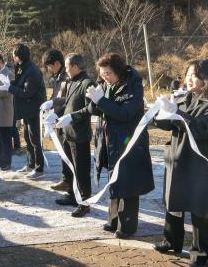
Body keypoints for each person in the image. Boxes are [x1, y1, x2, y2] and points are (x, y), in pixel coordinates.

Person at [152, 59, 208, 267]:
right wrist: (163, 112)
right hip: (177, 156)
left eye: (195, 75)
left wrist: (178, 113)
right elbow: (166, 124)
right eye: (188, 74)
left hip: (202, 162)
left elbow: (202, 129)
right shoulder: (184, 97)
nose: (189, 79)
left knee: (200, 208)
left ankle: (199, 253)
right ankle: (172, 240)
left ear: (207, 78)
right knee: (173, 201)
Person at [83, 52, 154, 238]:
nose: (104, 77)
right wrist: (92, 100)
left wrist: (102, 101)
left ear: (118, 71)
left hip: (129, 141)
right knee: (114, 180)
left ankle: (128, 225)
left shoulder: (133, 85)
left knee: (128, 183)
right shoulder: (107, 85)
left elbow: (125, 113)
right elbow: (97, 109)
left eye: (107, 73)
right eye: (102, 73)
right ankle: (113, 220)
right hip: (110, 139)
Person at [50, 53, 94, 218]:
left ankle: (84, 203)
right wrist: (57, 114)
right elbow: (68, 104)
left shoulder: (87, 83)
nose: (66, 70)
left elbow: (90, 109)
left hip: (79, 135)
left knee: (81, 171)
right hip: (68, 133)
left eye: (68, 67)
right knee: (70, 168)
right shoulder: (72, 81)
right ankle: (72, 196)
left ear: (76, 67)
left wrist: (71, 117)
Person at [1, 43, 46, 178]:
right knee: (28, 137)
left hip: (33, 109)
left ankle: (39, 169)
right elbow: (20, 84)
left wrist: (9, 88)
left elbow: (27, 92)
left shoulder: (32, 70)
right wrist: (9, 84)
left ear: (19, 56)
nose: (13, 58)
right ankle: (30, 164)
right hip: (26, 109)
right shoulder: (22, 67)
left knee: (35, 139)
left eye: (14, 55)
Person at [41, 49, 72, 192]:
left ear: (58, 63)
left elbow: (70, 100)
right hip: (59, 118)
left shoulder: (67, 77)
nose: (48, 69)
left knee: (68, 152)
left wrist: (55, 107)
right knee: (63, 151)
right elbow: (55, 96)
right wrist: (49, 105)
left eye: (49, 65)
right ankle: (66, 179)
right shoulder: (57, 77)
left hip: (68, 119)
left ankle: (71, 183)